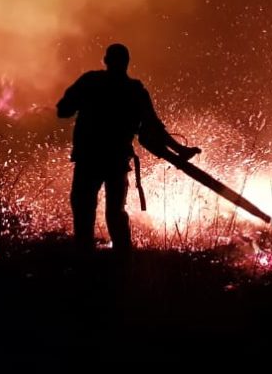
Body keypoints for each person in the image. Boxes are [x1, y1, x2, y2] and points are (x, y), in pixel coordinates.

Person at [56, 43, 200, 253]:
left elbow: (63, 111)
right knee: (115, 213)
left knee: (83, 211)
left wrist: (84, 105)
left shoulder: (90, 82)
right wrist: (180, 151)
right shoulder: (135, 90)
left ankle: (84, 260)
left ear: (105, 61)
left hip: (89, 159)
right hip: (116, 161)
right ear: (126, 63)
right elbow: (153, 127)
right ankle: (122, 261)